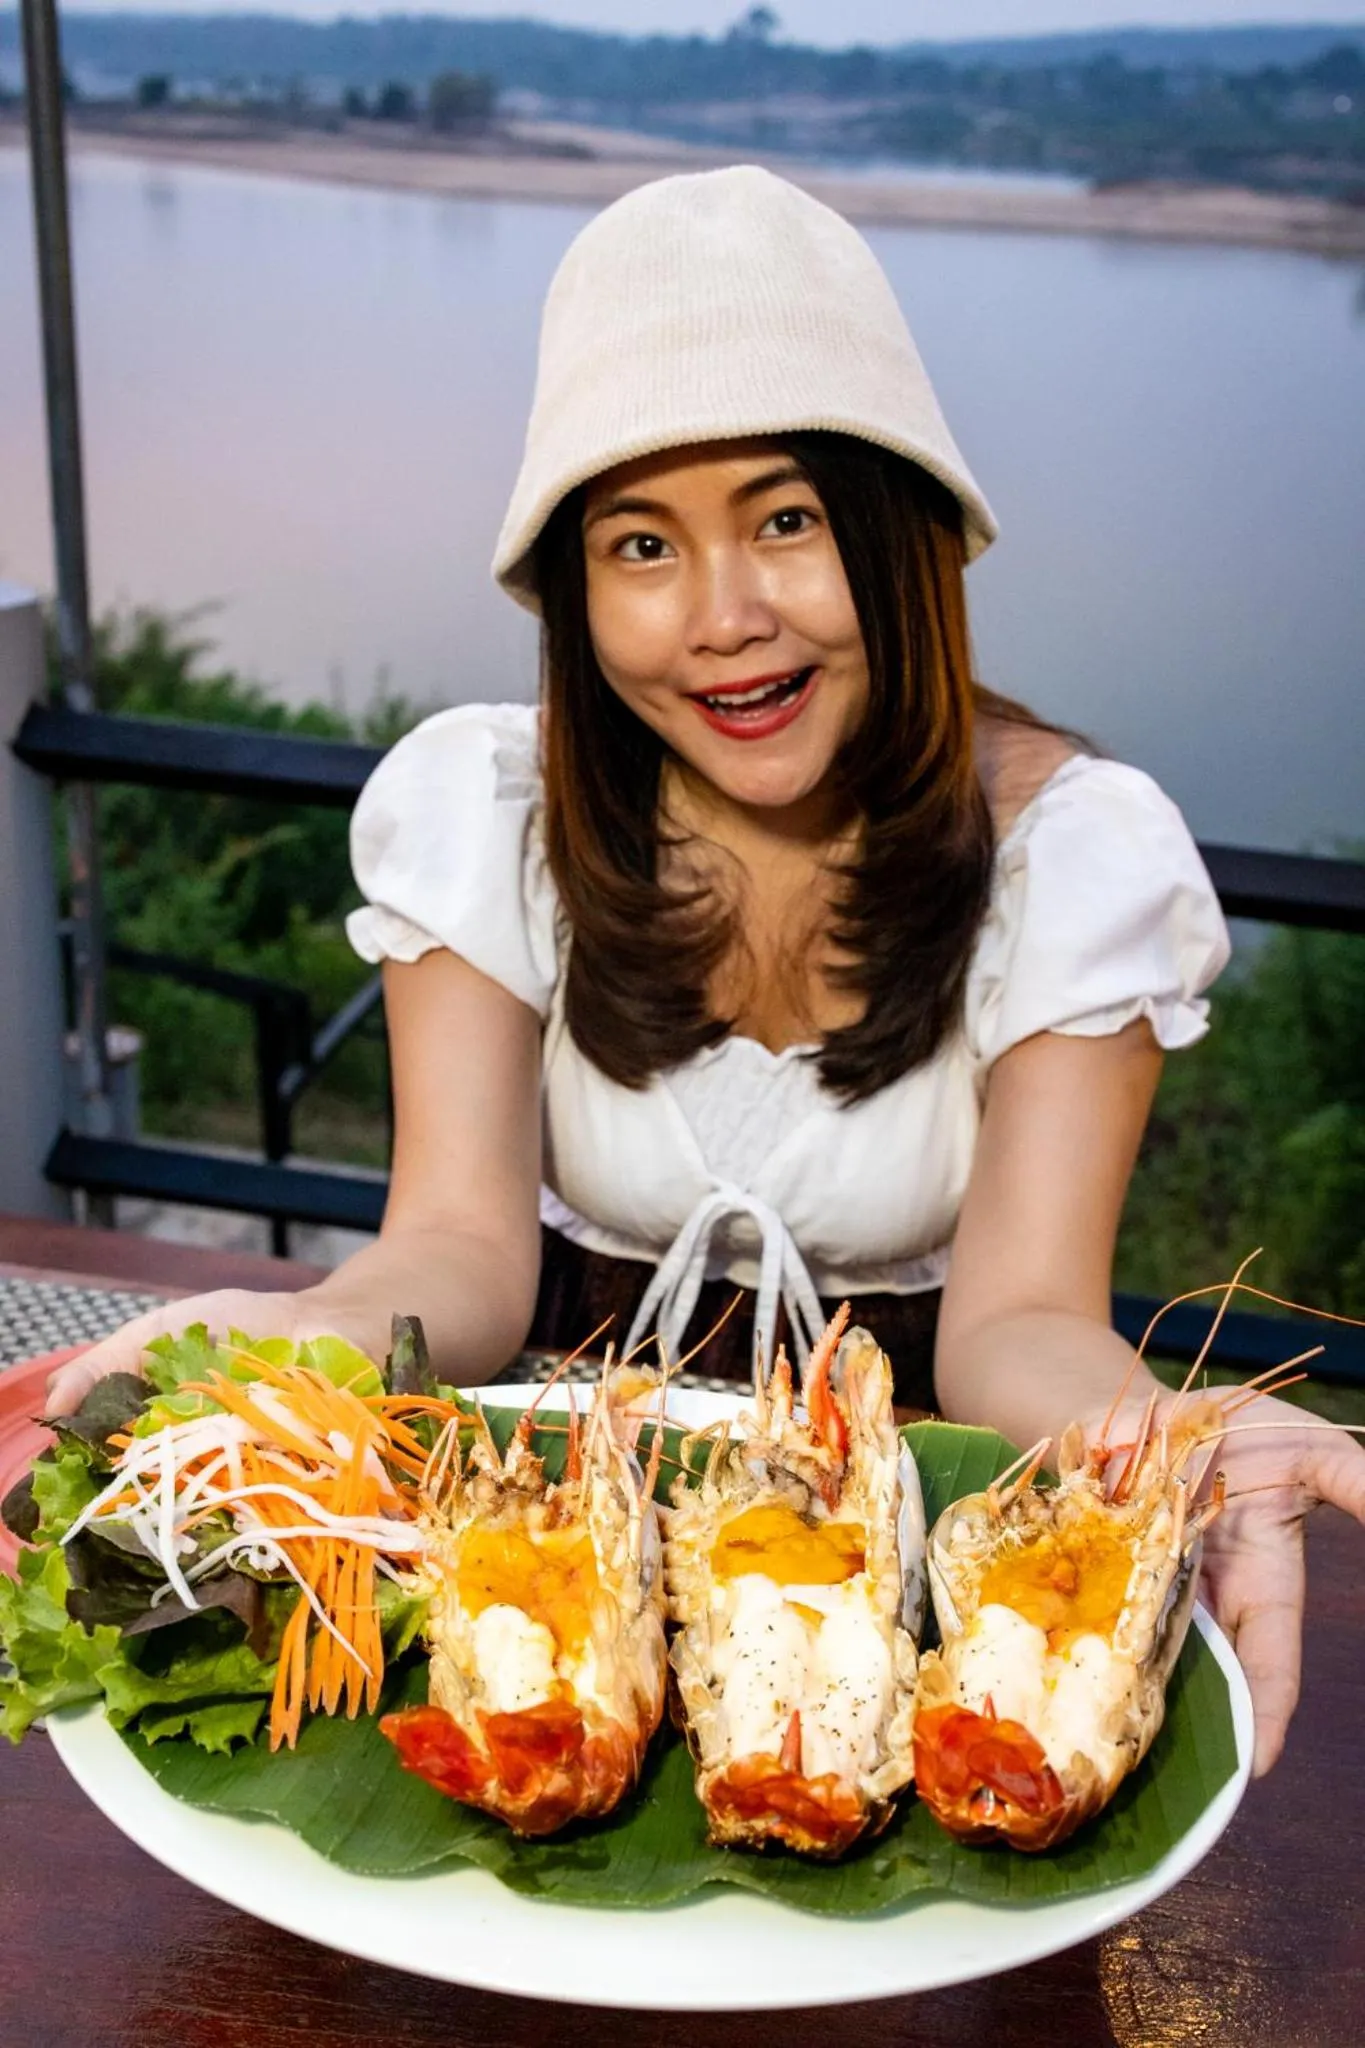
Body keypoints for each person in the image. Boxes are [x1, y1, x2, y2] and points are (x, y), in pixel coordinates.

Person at [49, 167, 1365, 1776]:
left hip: (901, 1539)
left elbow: (1019, 1320)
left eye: (788, 521)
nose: (726, 619)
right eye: (643, 544)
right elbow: (456, 1247)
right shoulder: (493, 811)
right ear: (575, 590)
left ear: (902, 536)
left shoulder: (1072, 858)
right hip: (540, 1528)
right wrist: (282, 1354)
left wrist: (1185, 1433)